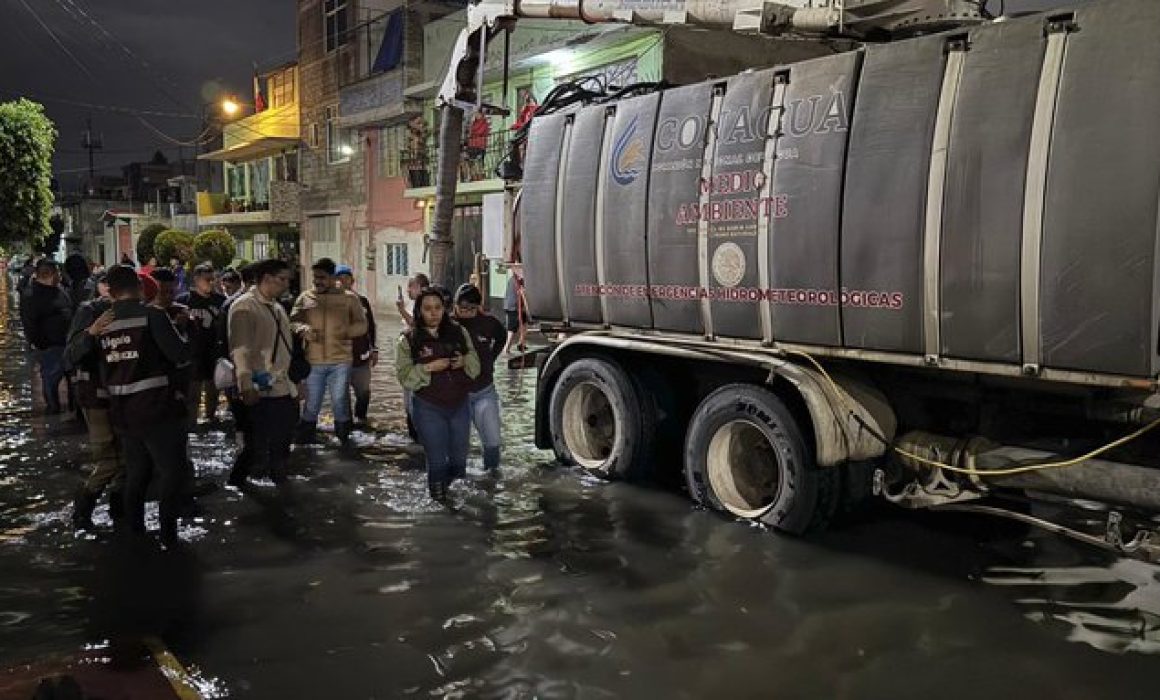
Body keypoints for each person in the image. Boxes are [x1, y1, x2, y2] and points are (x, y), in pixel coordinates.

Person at [95, 265, 191, 545]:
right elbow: (180, 355)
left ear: (111, 292)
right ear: (139, 288)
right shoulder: (154, 316)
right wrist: (183, 330)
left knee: (137, 473)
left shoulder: (102, 323)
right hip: (157, 408)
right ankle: (168, 534)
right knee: (171, 472)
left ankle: (135, 529)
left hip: (122, 411)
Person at [396, 288, 480, 500]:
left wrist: (463, 362)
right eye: (427, 309)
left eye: (437, 308)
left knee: (459, 460)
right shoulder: (408, 339)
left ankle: (457, 501)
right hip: (427, 406)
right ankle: (440, 504)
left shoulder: (459, 332)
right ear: (419, 311)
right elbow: (404, 377)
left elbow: (476, 365)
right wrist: (429, 368)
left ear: (444, 309)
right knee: (436, 460)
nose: (433, 313)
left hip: (459, 404)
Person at [228, 259, 297, 488]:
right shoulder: (244, 307)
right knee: (256, 447)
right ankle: (238, 484)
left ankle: (280, 484)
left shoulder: (277, 307)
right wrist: (245, 385)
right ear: (267, 278)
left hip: (282, 387)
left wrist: (296, 384)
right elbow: (240, 349)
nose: (287, 284)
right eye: (283, 279)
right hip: (259, 390)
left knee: (282, 442)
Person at [65, 271, 123, 530]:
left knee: (127, 459)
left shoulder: (131, 311)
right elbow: (70, 355)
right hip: (96, 395)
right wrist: (91, 333)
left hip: (124, 396)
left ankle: (119, 510)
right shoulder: (89, 310)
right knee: (109, 460)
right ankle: (83, 510)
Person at [290, 258, 367, 445]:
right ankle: (305, 443)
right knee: (312, 403)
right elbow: (291, 321)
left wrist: (347, 331)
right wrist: (302, 329)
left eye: (322, 277)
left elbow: (363, 325)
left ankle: (344, 441)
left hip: (341, 361)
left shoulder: (349, 298)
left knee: (340, 402)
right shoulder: (305, 297)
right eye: (315, 277)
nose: (317, 281)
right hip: (313, 361)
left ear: (333, 277)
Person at [453, 283, 507, 469]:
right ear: (455, 305)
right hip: (457, 395)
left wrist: (491, 358)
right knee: (457, 445)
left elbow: (502, 336)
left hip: (484, 390)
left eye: (471, 308)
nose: (466, 312)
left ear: (479, 307)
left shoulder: (489, 323)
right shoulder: (449, 325)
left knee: (492, 442)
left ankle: (491, 478)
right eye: (462, 308)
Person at [218, 264, 257, 485]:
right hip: (240, 373)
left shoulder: (233, 304)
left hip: (243, 372)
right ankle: (242, 471)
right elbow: (225, 343)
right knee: (246, 420)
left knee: (244, 422)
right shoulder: (235, 305)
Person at [21, 259, 73, 414]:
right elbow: (30, 325)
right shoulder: (31, 295)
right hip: (50, 347)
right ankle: (53, 412)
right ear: (51, 274)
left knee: (72, 381)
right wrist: (42, 345)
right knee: (51, 381)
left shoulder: (59, 289)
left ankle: (71, 411)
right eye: (58, 272)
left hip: (68, 344)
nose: (60, 276)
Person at [177, 263, 226, 427]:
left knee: (213, 391)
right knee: (193, 393)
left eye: (213, 279)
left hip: (213, 352)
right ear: (196, 280)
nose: (211, 283)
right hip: (193, 354)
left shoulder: (220, 301)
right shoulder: (184, 301)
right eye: (207, 279)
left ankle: (210, 420)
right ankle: (191, 423)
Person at [335, 265, 377, 429]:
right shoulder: (330, 305)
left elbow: (371, 327)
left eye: (347, 278)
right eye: (340, 279)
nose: (344, 282)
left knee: (364, 392)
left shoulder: (362, 301)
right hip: (339, 359)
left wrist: (375, 349)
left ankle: (361, 419)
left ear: (352, 281)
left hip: (362, 357)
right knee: (341, 395)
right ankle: (346, 425)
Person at [502, 266, 526, 355]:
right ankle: (506, 348)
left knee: (524, 323)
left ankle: (521, 343)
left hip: (516, 306)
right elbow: (521, 293)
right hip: (513, 307)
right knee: (512, 329)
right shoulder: (516, 280)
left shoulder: (516, 279)